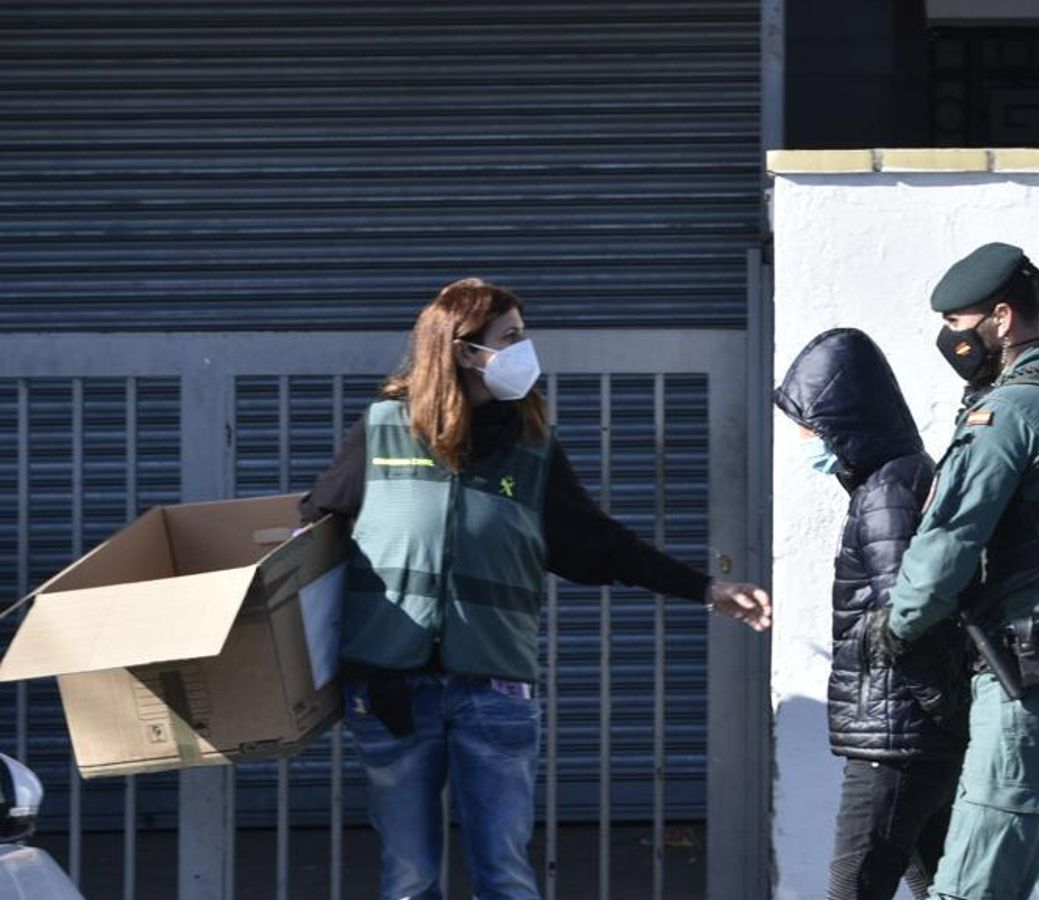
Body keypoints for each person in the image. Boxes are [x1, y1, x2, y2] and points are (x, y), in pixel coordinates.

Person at [299, 277, 771, 900]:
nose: (526, 351)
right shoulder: (384, 428)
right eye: (511, 337)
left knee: (505, 875)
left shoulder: (532, 448)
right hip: (392, 689)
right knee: (409, 878)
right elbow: (315, 531)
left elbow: (599, 544)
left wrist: (705, 588)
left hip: (493, 688)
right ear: (465, 351)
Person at [870, 243, 1039, 900]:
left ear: (1002, 317)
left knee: (969, 886)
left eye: (957, 323)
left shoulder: (1011, 411)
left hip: (1026, 684)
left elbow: (952, 534)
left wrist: (899, 624)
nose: (951, 339)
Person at [773, 329, 969, 900]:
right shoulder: (893, 481)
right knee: (941, 885)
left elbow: (907, 614)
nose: (807, 440)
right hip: (908, 730)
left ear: (845, 419)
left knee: (855, 886)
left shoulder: (888, 492)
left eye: (812, 426)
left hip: (896, 735)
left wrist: (938, 709)